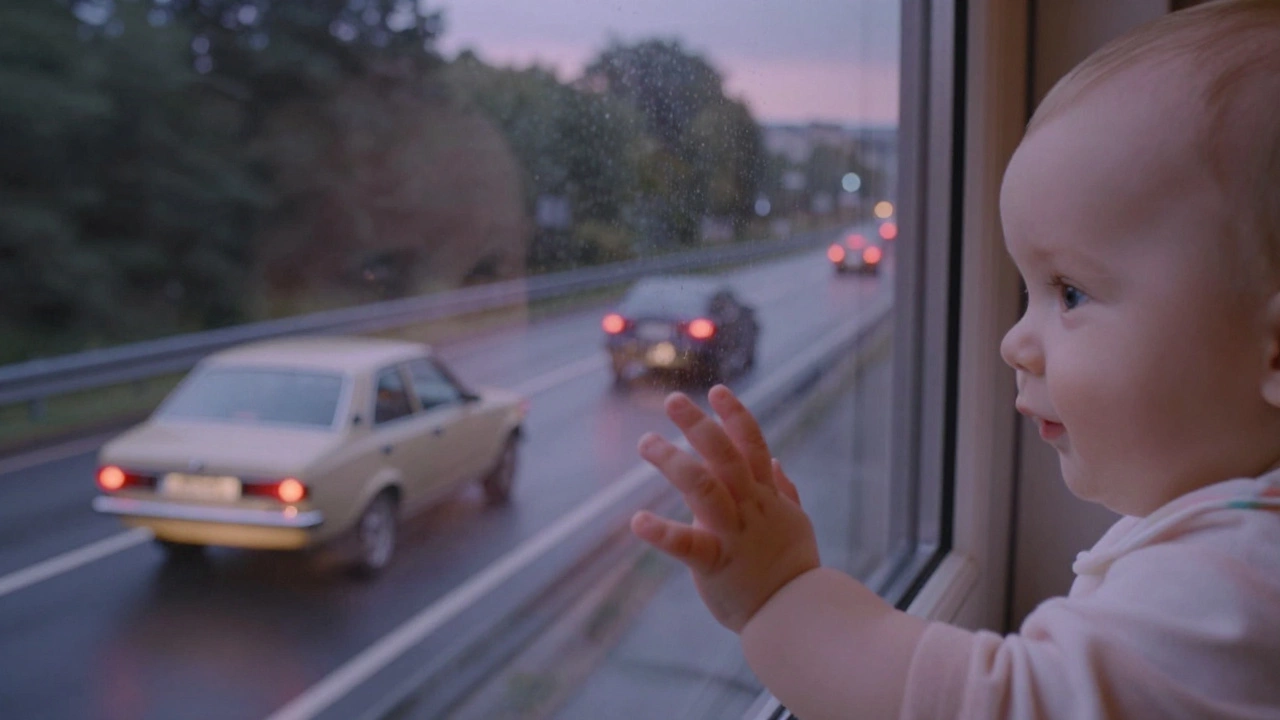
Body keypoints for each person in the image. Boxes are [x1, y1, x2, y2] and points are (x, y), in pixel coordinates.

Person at [629, 1, 1280, 717]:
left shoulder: (1237, 584)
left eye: (1069, 292)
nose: (1012, 342)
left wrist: (777, 596)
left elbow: (993, 704)